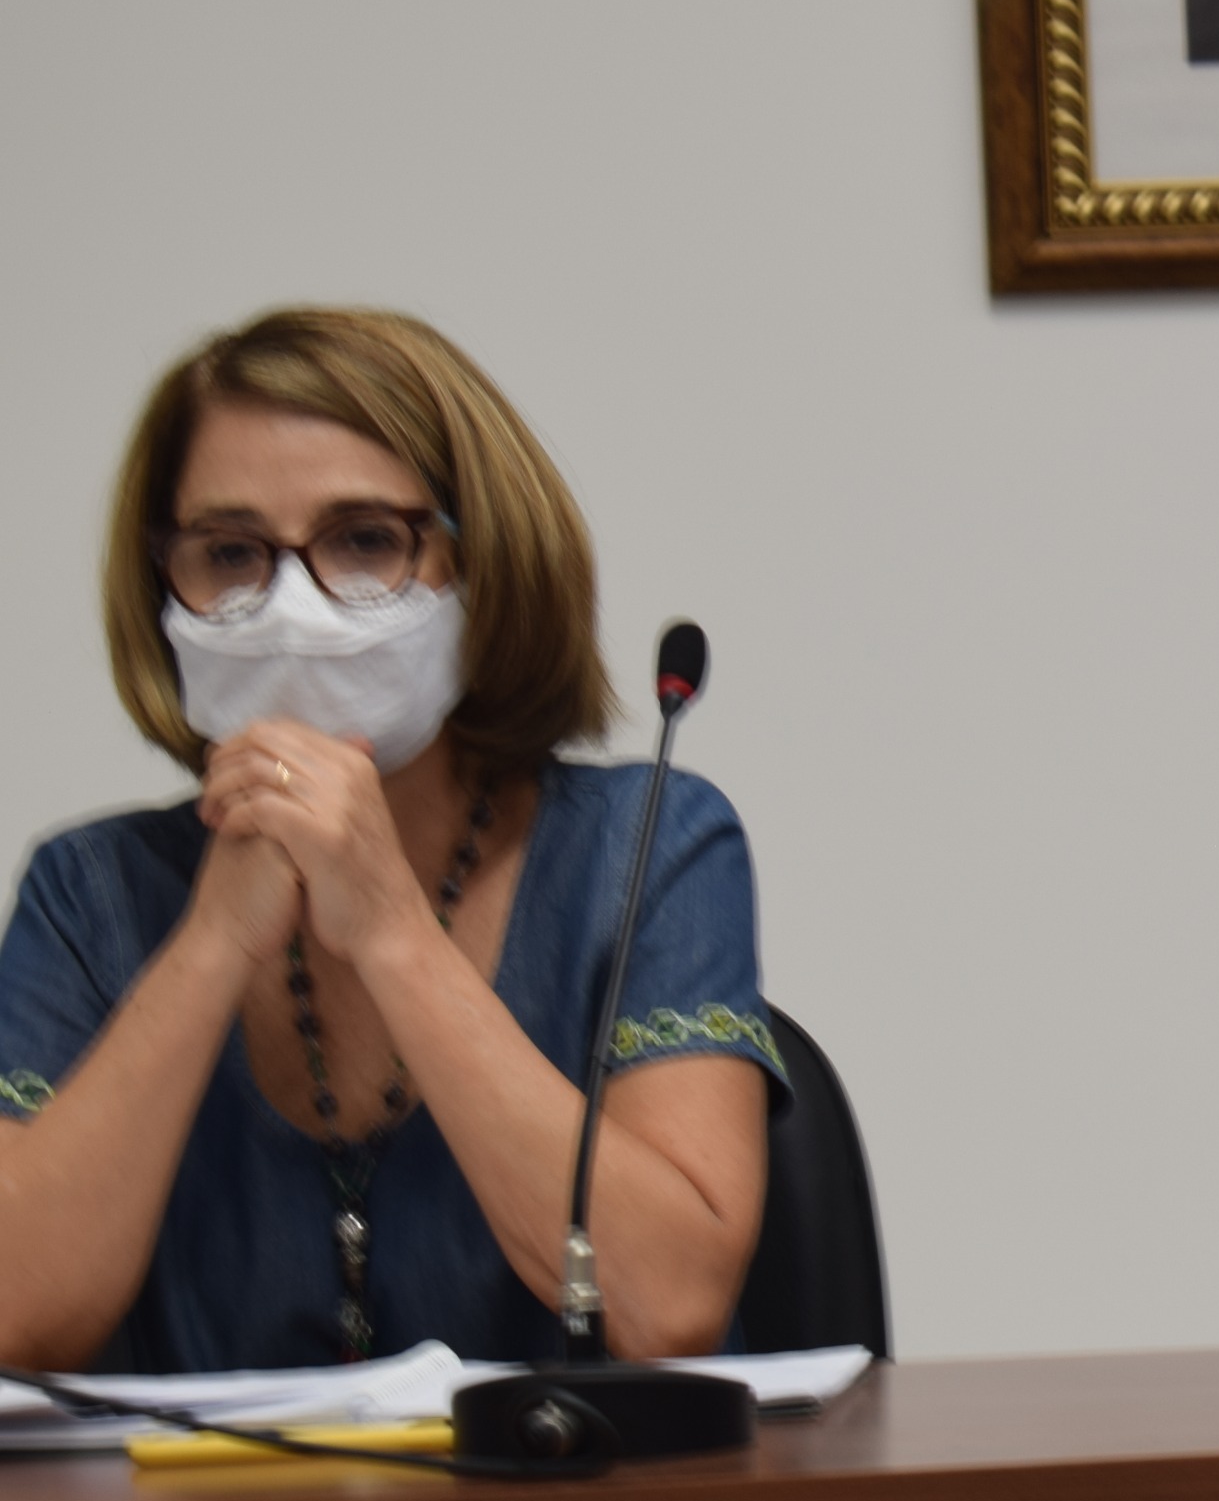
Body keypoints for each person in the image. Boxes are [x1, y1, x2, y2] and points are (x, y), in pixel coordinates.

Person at [0, 309, 780, 1376]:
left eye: (365, 540)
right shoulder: (91, 895)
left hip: (582, 1487)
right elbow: (14, 1313)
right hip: (220, 1494)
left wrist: (391, 931)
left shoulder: (649, 845)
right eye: (228, 554)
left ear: (480, 560)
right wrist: (212, 944)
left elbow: (668, 1303)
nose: (290, 607)